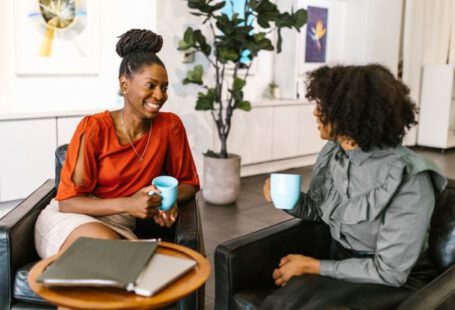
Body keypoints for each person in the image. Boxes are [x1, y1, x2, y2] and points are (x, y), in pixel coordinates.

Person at [262, 64, 447, 307]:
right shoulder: (333, 153)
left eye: (325, 106)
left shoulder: (409, 178)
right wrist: (289, 199)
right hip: (343, 263)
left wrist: (313, 266)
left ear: (353, 114)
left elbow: (390, 272)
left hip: (394, 280)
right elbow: (319, 209)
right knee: (286, 298)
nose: (316, 113)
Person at [35, 29, 199, 259]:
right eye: (150, 85)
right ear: (124, 85)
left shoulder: (170, 126)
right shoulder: (93, 128)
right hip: (72, 220)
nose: (160, 95)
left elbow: (189, 183)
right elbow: (68, 204)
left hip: (120, 225)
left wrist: (162, 202)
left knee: (117, 263)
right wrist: (129, 204)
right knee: (110, 254)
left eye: (164, 88)